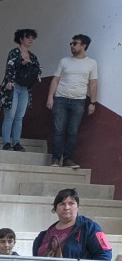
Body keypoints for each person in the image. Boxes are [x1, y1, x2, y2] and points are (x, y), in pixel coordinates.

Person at [47, 34, 98, 169]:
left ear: (83, 46)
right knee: (58, 130)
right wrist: (50, 97)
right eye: (71, 43)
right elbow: (55, 79)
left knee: (73, 131)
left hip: (79, 101)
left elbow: (93, 83)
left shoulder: (92, 63)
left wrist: (93, 102)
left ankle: (68, 159)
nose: (71, 45)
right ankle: (55, 159)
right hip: (60, 99)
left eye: (75, 43)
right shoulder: (64, 61)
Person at [0, 29, 41, 152]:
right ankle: (7, 142)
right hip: (14, 86)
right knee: (10, 115)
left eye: (33, 38)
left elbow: (38, 69)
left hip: (25, 88)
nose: (31, 40)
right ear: (21, 39)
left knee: (19, 116)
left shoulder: (33, 56)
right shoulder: (14, 53)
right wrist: (21, 64)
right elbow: (10, 68)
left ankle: (16, 142)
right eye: (28, 37)